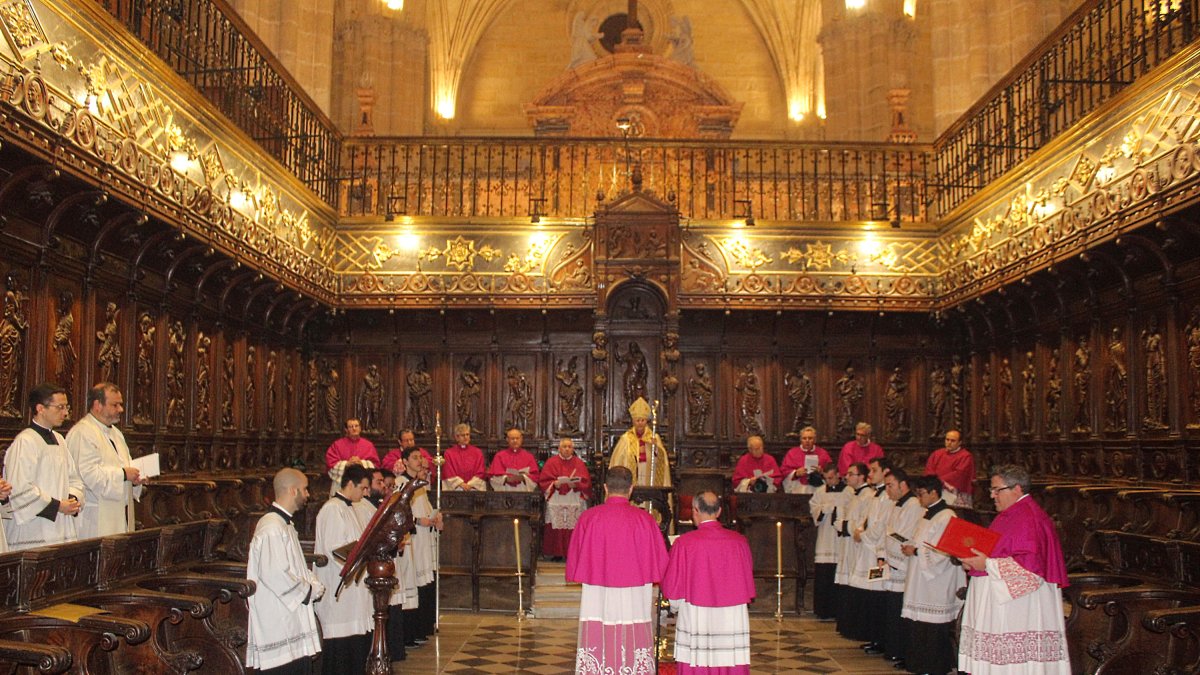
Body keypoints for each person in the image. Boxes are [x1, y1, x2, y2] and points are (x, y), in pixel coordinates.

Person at [959, 465, 1070, 674]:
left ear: (1017, 489)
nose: (992, 495)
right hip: (1002, 603)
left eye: (996, 489)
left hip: (1020, 609)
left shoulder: (1029, 518)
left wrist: (986, 564)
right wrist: (973, 560)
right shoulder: (1010, 514)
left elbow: (1030, 569)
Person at [567, 466, 668, 674]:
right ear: (630, 489)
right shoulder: (645, 519)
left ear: (605, 487)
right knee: (633, 625)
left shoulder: (589, 517)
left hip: (598, 589)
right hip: (635, 590)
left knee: (599, 623)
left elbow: (575, 557)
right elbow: (661, 561)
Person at [661, 491, 755, 674]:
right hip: (732, 614)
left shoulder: (684, 543)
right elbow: (747, 576)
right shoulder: (739, 541)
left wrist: (674, 607)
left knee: (697, 661)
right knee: (730, 659)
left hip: (697, 613)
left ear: (695, 510)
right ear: (719, 511)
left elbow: (673, 586)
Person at [246, 468, 324, 674]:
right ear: (292, 490)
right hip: (279, 621)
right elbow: (273, 573)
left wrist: (312, 581)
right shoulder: (272, 527)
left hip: (289, 616)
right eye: (305, 489)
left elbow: (293, 566)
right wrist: (307, 592)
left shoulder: (283, 524)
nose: (308, 494)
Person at [3, 383, 84, 550]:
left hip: (61, 525)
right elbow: (19, 488)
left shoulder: (60, 439)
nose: (66, 413)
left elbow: (74, 479)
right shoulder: (26, 441)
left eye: (66, 407)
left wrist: (72, 499)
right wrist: (57, 506)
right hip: (33, 529)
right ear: (41, 408)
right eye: (60, 407)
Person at [900, 476, 965, 675]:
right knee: (920, 625)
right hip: (922, 578)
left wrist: (917, 552)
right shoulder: (928, 514)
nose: (919, 498)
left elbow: (944, 552)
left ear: (934, 492)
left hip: (938, 580)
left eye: (921, 494)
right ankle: (919, 663)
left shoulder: (947, 516)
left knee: (934, 627)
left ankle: (935, 665)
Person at [313, 464, 374, 675]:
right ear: (350, 484)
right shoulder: (332, 509)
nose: (366, 493)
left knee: (356, 639)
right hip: (340, 588)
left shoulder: (351, 507)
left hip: (354, 587)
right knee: (341, 644)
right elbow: (336, 550)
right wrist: (364, 555)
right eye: (363, 488)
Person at [66, 382, 145, 538]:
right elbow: (87, 475)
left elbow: (126, 466)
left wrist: (135, 479)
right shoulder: (83, 432)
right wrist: (123, 475)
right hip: (94, 516)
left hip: (115, 512)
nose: (120, 410)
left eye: (120, 405)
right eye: (115, 405)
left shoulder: (116, 434)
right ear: (97, 405)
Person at [879, 468, 923, 666]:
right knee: (891, 610)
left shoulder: (913, 505)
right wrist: (882, 555)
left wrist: (890, 554)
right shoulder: (896, 504)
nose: (887, 490)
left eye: (890, 485)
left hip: (902, 566)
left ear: (903, 485)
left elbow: (903, 536)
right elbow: (886, 532)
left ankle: (900, 651)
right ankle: (892, 648)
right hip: (892, 562)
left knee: (900, 611)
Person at [537, 437, 591, 561]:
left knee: (572, 525)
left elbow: (586, 483)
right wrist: (554, 484)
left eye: (569, 447)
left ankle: (572, 552)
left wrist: (576, 484)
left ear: (573, 449)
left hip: (573, 497)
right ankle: (556, 553)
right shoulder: (551, 462)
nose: (567, 449)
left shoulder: (579, 463)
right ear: (559, 449)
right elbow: (544, 480)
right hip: (557, 498)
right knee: (556, 526)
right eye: (564, 447)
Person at [833, 462, 869, 636]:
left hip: (858, 546)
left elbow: (864, 523)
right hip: (848, 544)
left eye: (851, 474)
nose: (846, 477)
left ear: (861, 476)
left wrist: (843, 525)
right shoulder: (854, 495)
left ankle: (854, 627)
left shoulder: (868, 495)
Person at [808, 463, 846, 620]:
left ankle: (838, 610)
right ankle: (823, 610)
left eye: (831, 478)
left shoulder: (848, 491)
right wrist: (823, 509)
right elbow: (814, 509)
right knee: (824, 575)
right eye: (826, 478)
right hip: (825, 537)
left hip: (841, 538)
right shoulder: (820, 491)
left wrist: (837, 508)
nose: (828, 481)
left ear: (838, 475)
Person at [610, 397, 670, 487]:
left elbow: (662, 461)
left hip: (649, 478)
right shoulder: (626, 439)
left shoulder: (654, 437)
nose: (640, 423)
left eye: (643, 420)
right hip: (631, 480)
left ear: (646, 421)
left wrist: (655, 447)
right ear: (633, 421)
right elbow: (617, 462)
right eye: (637, 420)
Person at [924, 429, 976, 506]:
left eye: (953, 441)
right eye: (947, 439)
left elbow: (960, 474)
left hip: (956, 493)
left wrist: (939, 481)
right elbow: (929, 470)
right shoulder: (937, 454)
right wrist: (935, 482)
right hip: (935, 490)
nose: (949, 443)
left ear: (959, 443)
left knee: (955, 516)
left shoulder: (965, 456)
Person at [780, 426, 832, 494]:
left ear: (815, 440)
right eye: (804, 438)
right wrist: (795, 473)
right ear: (800, 440)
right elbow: (784, 471)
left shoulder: (823, 453)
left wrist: (821, 472)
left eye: (810, 438)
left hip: (817, 487)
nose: (807, 441)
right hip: (798, 487)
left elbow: (831, 471)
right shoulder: (792, 453)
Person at [441, 423, 487, 491]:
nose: (466, 437)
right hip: (457, 489)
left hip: (473, 488)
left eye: (467, 434)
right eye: (463, 435)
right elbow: (448, 472)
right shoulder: (449, 453)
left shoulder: (477, 452)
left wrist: (470, 484)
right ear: (457, 437)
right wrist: (461, 484)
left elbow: (481, 471)